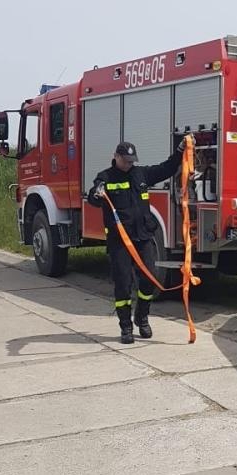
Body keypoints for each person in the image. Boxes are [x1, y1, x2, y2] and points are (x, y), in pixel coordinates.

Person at [87, 141, 184, 344]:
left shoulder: (140, 174)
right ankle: (126, 327)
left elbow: (166, 168)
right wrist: (97, 191)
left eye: (132, 161)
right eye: (125, 160)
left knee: (149, 279)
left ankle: (142, 316)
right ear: (116, 156)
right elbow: (93, 199)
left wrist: (180, 151)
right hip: (119, 241)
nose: (129, 164)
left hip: (142, 238)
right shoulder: (105, 178)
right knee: (123, 285)